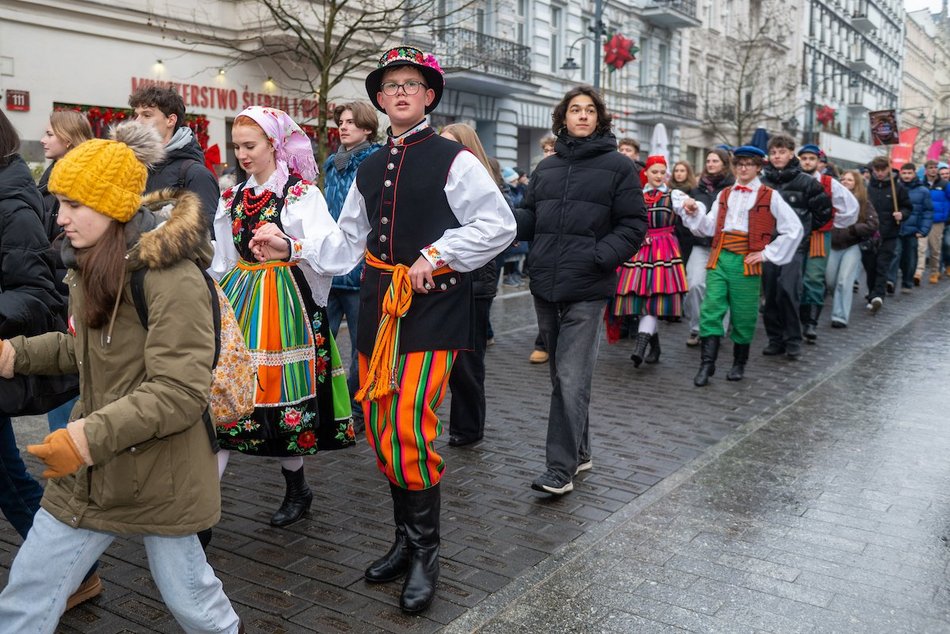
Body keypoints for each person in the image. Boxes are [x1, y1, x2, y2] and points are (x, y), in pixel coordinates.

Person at [0, 120, 241, 633]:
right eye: (58, 203)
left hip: (163, 471)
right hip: (91, 477)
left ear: (112, 206)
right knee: (28, 592)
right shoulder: (90, 263)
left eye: (72, 206)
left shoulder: (170, 276)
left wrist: (86, 436)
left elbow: (179, 391)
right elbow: (86, 348)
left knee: (195, 605)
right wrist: (14, 355)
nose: (58, 219)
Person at [322, 46, 514, 614]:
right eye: (391, 85)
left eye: (412, 83)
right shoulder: (371, 163)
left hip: (431, 310)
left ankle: (428, 552)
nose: (401, 92)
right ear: (379, 100)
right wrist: (293, 246)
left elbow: (498, 224)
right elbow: (344, 241)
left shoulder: (455, 158)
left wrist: (438, 254)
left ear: (429, 95)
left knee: (408, 422)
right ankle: (405, 541)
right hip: (378, 308)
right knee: (381, 426)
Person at [209, 107, 356, 528]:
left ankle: (297, 488)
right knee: (225, 395)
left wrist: (289, 244)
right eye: (237, 146)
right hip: (240, 302)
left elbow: (335, 253)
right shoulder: (231, 198)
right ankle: (198, 515)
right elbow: (220, 261)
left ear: (274, 145)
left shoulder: (299, 194)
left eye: (250, 146)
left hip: (287, 307)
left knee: (284, 402)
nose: (242, 155)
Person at [515, 85, 646, 495]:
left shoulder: (619, 167)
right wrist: (500, 219)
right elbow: (530, 216)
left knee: (571, 378)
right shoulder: (547, 168)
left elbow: (633, 226)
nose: (583, 116)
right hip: (545, 284)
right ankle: (581, 451)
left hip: (588, 287)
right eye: (576, 110)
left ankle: (559, 470)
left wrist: (599, 256)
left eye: (590, 110)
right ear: (563, 118)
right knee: (562, 376)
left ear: (600, 118)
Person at [677, 146, 803, 386]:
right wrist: (694, 213)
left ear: (758, 167)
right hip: (720, 257)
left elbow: (793, 228)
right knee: (711, 308)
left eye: (748, 164)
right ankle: (707, 364)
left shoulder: (769, 195)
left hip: (747, 261)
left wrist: (766, 254)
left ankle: (739, 363)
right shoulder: (724, 194)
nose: (743, 168)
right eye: (739, 164)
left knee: (744, 314)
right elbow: (709, 226)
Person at [441, 123, 500, 447]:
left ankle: (468, 427)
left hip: (474, 281)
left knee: (467, 360)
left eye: (452, 145)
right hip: (441, 280)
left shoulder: (479, 181)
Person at [324, 102, 381, 434]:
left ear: (367, 129)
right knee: (323, 340)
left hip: (360, 270)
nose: (344, 127)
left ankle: (358, 410)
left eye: (351, 122)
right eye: (341, 122)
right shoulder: (332, 163)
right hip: (331, 269)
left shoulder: (374, 163)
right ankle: (329, 402)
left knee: (362, 346)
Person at [37, 110, 94, 432]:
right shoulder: (51, 176)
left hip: (72, 289)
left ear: (68, 138)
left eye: (49, 134)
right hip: (59, 290)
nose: (43, 140)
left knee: (71, 389)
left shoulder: (82, 176)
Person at [613, 155, 692, 367]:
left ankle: (640, 347)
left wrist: (691, 205)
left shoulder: (673, 195)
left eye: (662, 172)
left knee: (654, 298)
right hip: (639, 250)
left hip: (664, 250)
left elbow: (687, 207)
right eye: (654, 171)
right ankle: (654, 346)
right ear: (646, 173)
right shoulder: (637, 195)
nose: (658, 176)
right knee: (640, 300)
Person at [758, 135, 832, 359]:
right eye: (773, 153)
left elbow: (823, 212)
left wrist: (804, 232)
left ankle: (793, 340)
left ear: (792, 154)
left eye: (782, 152)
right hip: (769, 246)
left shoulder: (807, 182)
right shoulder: (762, 183)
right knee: (770, 294)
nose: (777, 156)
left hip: (794, 248)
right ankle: (775, 339)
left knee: (788, 291)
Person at [129, 85, 219, 225]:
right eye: (137, 115)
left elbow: (207, 234)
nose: (137, 121)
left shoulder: (195, 174)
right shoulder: (135, 167)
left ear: (170, 120)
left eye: (146, 115)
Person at [796, 144, 858, 343]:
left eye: (811, 158)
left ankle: (810, 323)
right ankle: (794, 321)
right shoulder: (792, 180)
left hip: (818, 236)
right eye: (804, 158)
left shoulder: (829, 183)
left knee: (814, 277)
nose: (807, 162)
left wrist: (831, 223)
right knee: (792, 278)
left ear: (818, 162)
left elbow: (850, 208)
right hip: (793, 237)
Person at [685, 149, 735, 346]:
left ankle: (716, 330)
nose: (711, 164)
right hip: (701, 245)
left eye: (715, 160)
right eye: (708, 160)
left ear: (724, 163)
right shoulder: (698, 189)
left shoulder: (732, 189)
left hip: (724, 245)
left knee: (720, 289)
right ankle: (697, 327)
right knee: (694, 285)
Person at [826, 170, 879, 328]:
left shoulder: (863, 202)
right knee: (830, 281)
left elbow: (873, 224)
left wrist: (853, 229)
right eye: (843, 179)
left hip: (852, 245)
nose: (845, 182)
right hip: (832, 244)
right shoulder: (832, 200)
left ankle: (840, 316)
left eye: (849, 180)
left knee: (844, 281)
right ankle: (839, 299)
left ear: (856, 183)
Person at [864, 156, 911, 313]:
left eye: (882, 170)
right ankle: (872, 292)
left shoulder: (898, 188)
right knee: (870, 266)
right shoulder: (867, 188)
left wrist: (902, 215)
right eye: (876, 170)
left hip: (889, 233)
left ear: (889, 169)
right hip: (869, 234)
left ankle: (878, 295)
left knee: (882, 265)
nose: (879, 173)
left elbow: (907, 207)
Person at [528, 136, 557, 365]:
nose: (549, 153)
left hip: (568, 248)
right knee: (543, 296)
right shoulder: (540, 173)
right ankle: (543, 342)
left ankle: (547, 343)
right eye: (546, 149)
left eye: (552, 149)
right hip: (542, 246)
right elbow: (528, 208)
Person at [887, 163, 932, 293]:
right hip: (897, 228)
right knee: (895, 254)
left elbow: (928, 211)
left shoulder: (923, 190)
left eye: (909, 173)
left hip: (913, 230)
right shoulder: (895, 188)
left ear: (914, 173)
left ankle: (907, 282)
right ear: (900, 173)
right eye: (904, 173)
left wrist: (923, 230)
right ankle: (890, 281)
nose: (906, 176)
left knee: (910, 258)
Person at [919, 160, 949, 284]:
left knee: (935, 249)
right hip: (923, 219)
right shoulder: (921, 184)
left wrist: (946, 214)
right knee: (921, 248)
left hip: (938, 221)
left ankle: (934, 271)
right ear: (926, 169)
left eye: (935, 167)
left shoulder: (945, 184)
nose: (933, 169)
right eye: (931, 167)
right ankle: (918, 273)